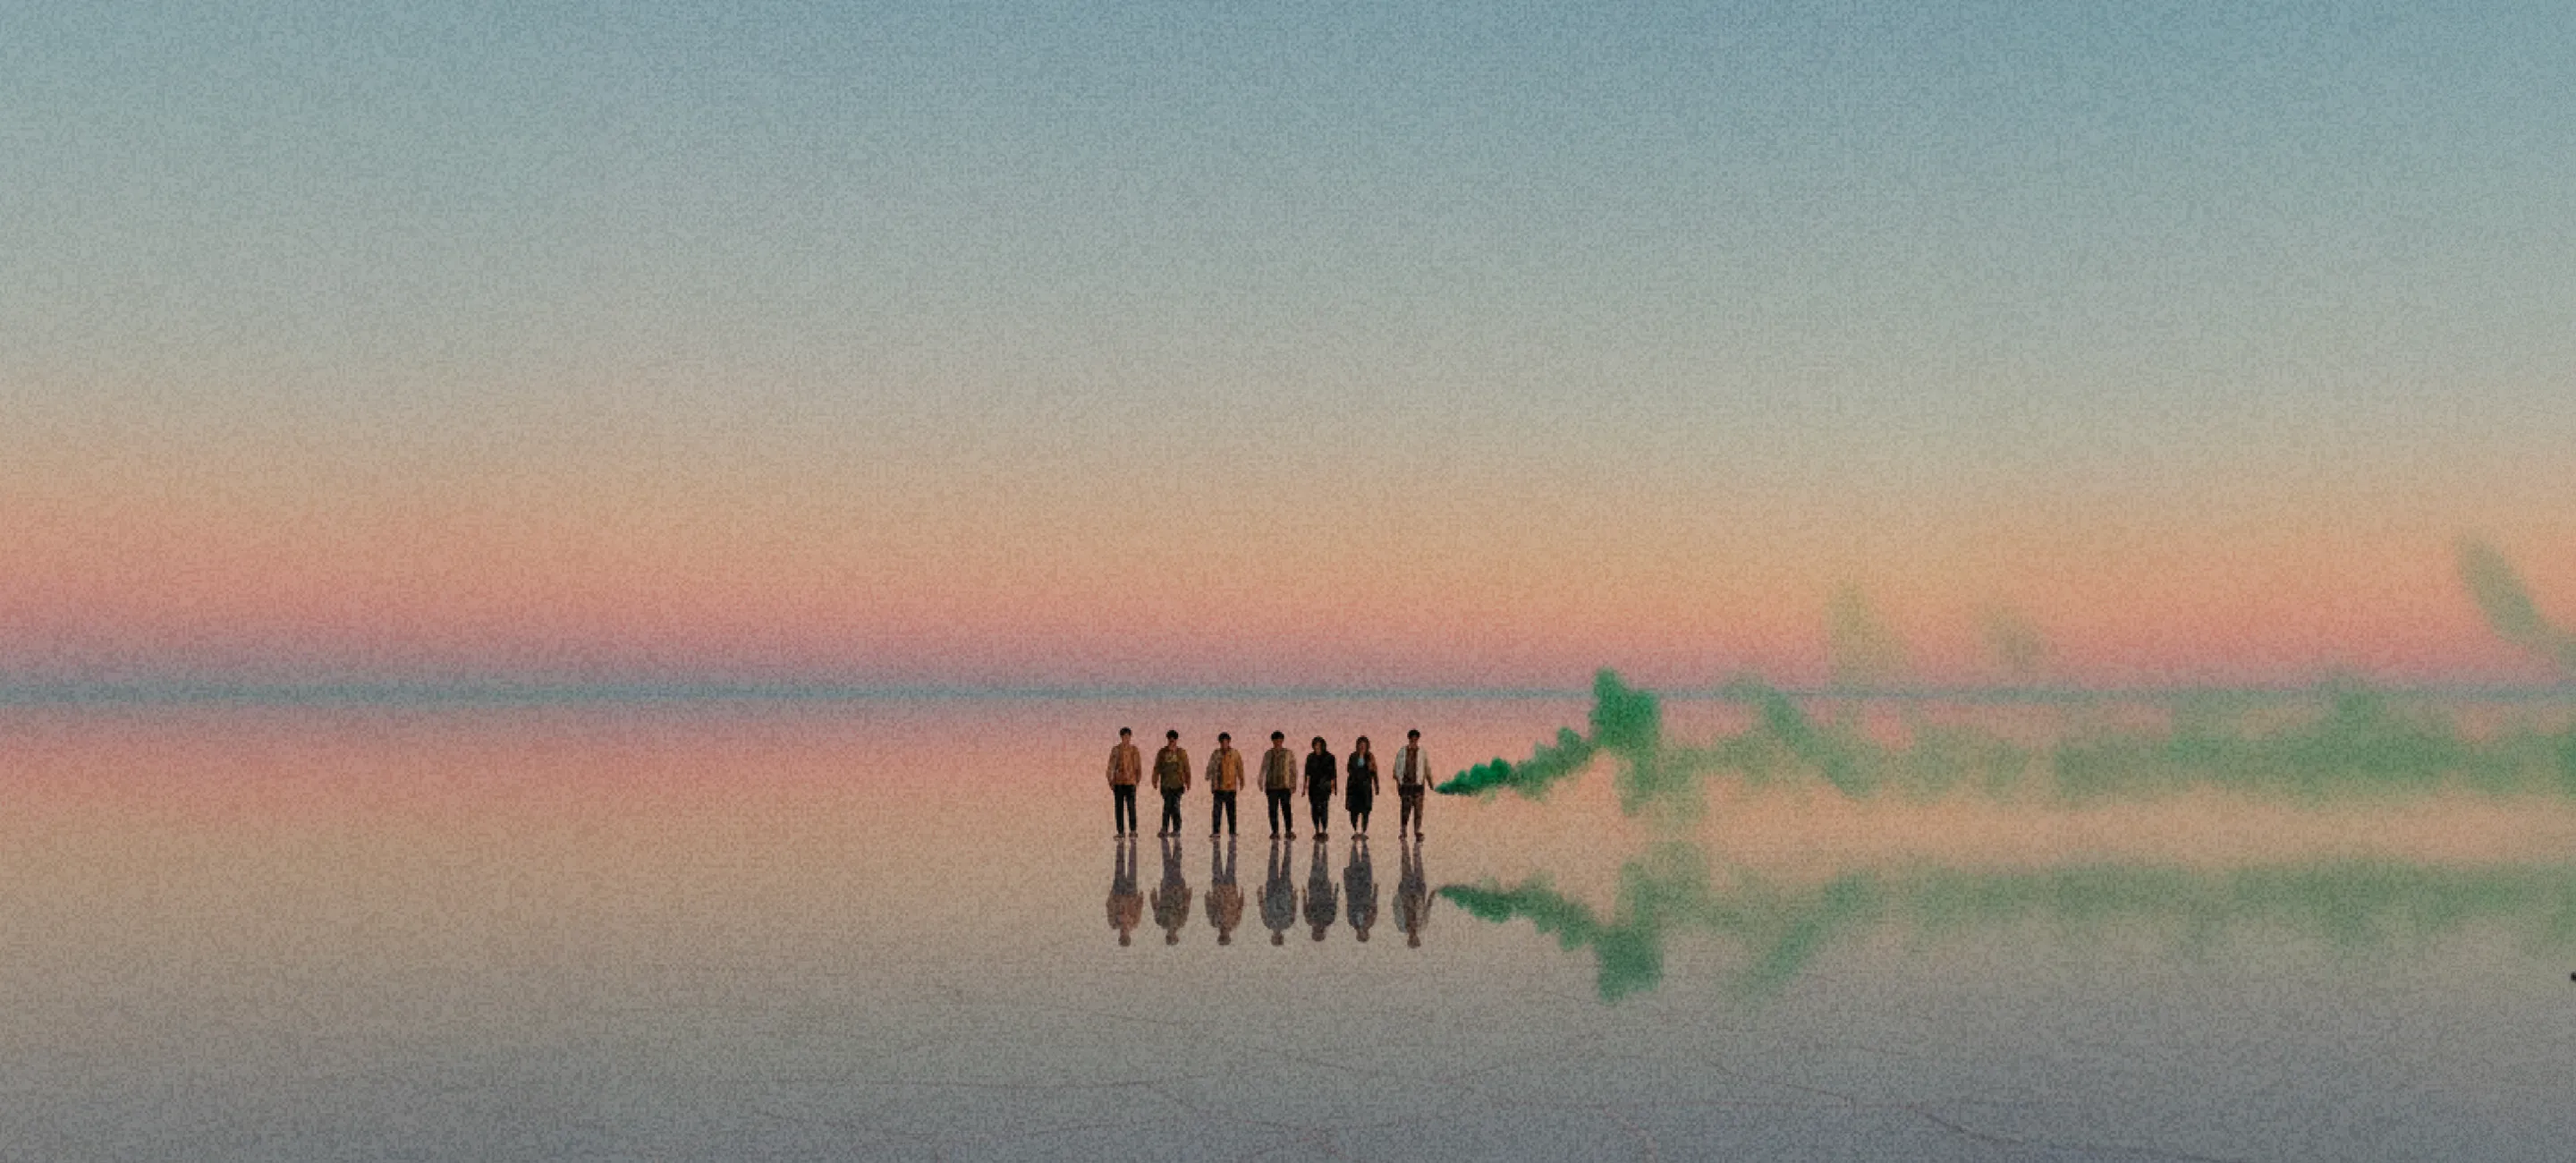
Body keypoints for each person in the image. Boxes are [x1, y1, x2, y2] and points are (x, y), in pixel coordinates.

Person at [1151, 834, 1191, 945]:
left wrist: (1153, 896)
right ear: (1176, 936)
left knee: (1167, 863)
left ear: (1167, 936)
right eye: (1173, 937)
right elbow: (1186, 906)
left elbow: (1155, 907)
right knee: (1176, 864)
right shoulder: (1181, 922)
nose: (1171, 935)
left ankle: (1166, 841)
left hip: (1166, 889)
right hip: (1178, 889)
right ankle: (1176, 842)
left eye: (1169, 937)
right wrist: (1188, 894)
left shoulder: (1160, 922)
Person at [1106, 727, 1143, 837]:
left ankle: (1133, 830)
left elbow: (1138, 766)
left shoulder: (1134, 750)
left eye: (1128, 736)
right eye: (1124, 736)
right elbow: (1111, 765)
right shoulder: (1116, 750)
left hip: (1131, 782)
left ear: (1130, 737)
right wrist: (1110, 780)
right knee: (1119, 808)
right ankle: (1120, 832)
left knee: (1131, 807)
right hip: (1119, 783)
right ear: (1121, 737)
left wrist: (1137, 780)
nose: (1126, 738)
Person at [1153, 729, 1191, 837]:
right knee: (1167, 807)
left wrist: (1188, 781)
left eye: (1173, 740)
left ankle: (1176, 829)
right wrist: (1155, 779)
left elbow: (1187, 768)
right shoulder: (1162, 752)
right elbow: (1157, 767)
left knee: (1175, 807)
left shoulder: (1181, 753)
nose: (1171, 742)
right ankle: (1164, 828)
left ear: (1176, 740)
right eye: (1170, 740)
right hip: (1166, 784)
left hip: (1178, 784)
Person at [1394, 728, 1430, 839]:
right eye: (1412, 738)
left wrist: (1430, 782)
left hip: (1418, 785)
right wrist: (1398, 782)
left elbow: (1426, 768)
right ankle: (1403, 831)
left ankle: (1417, 831)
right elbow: (1396, 767)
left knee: (1418, 810)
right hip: (1406, 785)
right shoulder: (1402, 751)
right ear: (1409, 739)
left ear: (1418, 739)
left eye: (1416, 739)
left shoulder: (1422, 752)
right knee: (1405, 810)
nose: (1414, 741)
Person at [1260, 731, 1298, 838]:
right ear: (1273, 741)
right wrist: (1261, 780)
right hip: (1271, 786)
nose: (1278, 742)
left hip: (1285, 786)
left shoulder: (1288, 753)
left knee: (1286, 809)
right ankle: (1275, 831)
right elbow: (1263, 768)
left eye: (1280, 740)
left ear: (1282, 741)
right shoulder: (1268, 754)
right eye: (1276, 740)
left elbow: (1293, 769)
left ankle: (1289, 830)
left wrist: (1293, 783)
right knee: (1272, 809)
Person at [1205, 839, 1242, 945]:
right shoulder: (1234, 923)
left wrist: (1207, 897)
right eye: (1225, 937)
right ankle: (1232, 843)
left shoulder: (1214, 922)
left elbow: (1209, 909)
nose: (1223, 935)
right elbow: (1239, 908)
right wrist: (1241, 897)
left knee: (1216, 864)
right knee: (1231, 864)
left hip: (1218, 889)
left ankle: (1216, 844)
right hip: (1230, 890)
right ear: (1228, 936)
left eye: (1222, 937)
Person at [1206, 732, 1243, 838]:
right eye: (1222, 742)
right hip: (1218, 787)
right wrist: (1208, 776)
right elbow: (1211, 766)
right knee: (1217, 811)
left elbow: (1239, 767)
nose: (1224, 744)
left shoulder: (1235, 754)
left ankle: (1232, 832)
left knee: (1231, 811)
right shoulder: (1216, 754)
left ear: (1229, 742)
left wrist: (1242, 779)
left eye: (1226, 742)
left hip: (1230, 787)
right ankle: (1216, 831)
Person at [1261, 839, 1298, 947]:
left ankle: (1275, 844)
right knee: (1286, 866)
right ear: (1281, 937)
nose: (1276, 937)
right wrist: (1295, 896)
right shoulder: (1288, 923)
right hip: (1285, 892)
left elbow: (1263, 908)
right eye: (1278, 939)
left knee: (1273, 865)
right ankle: (1288, 845)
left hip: (1271, 893)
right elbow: (1293, 909)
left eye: (1274, 939)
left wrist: (1260, 895)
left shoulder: (1268, 924)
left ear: (1272, 937)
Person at [1107, 836, 1142, 947]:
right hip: (1131, 894)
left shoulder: (1113, 923)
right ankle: (1133, 843)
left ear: (1119, 937)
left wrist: (1112, 895)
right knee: (1132, 867)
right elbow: (1139, 909)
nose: (1123, 934)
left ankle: (1120, 844)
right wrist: (1141, 898)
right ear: (1128, 936)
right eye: (1125, 937)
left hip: (1118, 893)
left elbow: (1109, 906)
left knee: (1119, 867)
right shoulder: (1134, 923)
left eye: (1122, 937)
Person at [1303, 835, 1339, 942]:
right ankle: (1324, 845)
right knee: (1324, 866)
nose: (1318, 931)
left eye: (1316, 933)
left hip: (1314, 891)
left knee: (1315, 866)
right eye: (1320, 933)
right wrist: (1336, 892)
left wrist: (1304, 894)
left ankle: (1316, 844)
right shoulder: (1329, 920)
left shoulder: (1309, 920)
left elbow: (1305, 906)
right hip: (1325, 891)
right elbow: (1334, 905)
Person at [1396, 837, 1430, 948]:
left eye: (1412, 940)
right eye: (1416, 940)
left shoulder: (1402, 927)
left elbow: (1396, 909)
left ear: (1409, 940)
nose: (1414, 938)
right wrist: (1432, 896)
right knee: (1418, 867)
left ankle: (1403, 843)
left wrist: (1400, 897)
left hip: (1406, 893)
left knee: (1406, 865)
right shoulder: (1422, 926)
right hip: (1419, 894)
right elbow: (1427, 910)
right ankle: (1417, 846)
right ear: (1418, 939)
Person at [1343, 836, 1377, 943]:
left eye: (1360, 935)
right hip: (1366, 891)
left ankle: (1354, 843)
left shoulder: (1352, 922)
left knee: (1353, 864)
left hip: (1353, 891)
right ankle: (1364, 843)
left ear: (1358, 935)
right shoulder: (1370, 922)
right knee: (1366, 865)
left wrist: (1347, 888)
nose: (1362, 933)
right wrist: (1376, 892)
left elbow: (1348, 905)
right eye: (1364, 935)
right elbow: (1374, 907)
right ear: (1367, 934)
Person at [1303, 736, 1337, 839]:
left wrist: (1333, 786)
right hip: (1313, 787)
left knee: (1324, 808)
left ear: (1323, 745)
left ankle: (1324, 830)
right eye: (1315, 744)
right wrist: (1305, 787)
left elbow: (1333, 774)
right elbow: (1307, 773)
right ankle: (1317, 830)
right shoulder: (1310, 757)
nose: (1317, 746)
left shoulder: (1330, 757)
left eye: (1319, 744)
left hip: (1324, 787)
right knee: (1314, 808)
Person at [1345, 735, 1379, 836]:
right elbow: (1349, 769)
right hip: (1354, 788)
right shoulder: (1353, 756)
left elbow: (1374, 772)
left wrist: (1377, 786)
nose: (1362, 747)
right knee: (1353, 811)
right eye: (1360, 745)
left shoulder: (1370, 757)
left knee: (1365, 811)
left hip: (1366, 788)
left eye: (1364, 745)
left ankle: (1364, 831)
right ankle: (1355, 830)